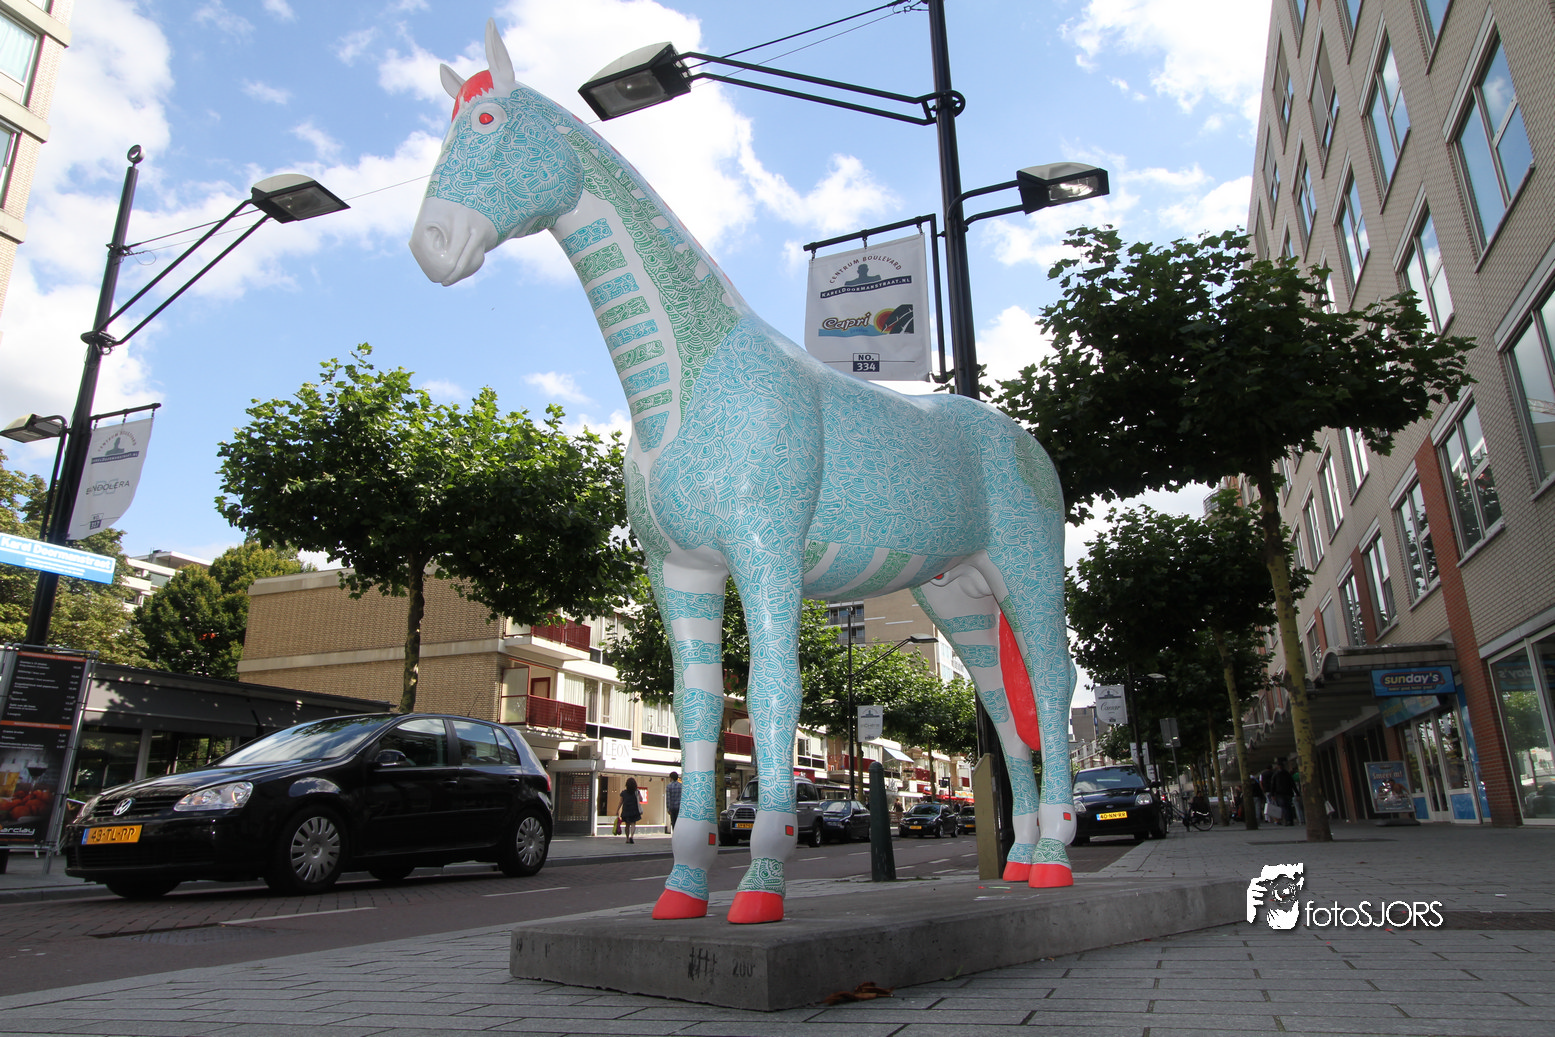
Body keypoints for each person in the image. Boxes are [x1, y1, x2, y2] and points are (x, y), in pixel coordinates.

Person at [1271, 759, 1296, 827]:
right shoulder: (1287, 774)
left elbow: (1273, 785)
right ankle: (1290, 820)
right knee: (1289, 806)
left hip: (1280, 793)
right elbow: (1292, 783)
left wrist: (1272, 794)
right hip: (1288, 792)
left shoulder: (1275, 774)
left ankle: (1287, 820)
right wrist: (1296, 792)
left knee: (1284, 807)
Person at [618, 776, 642, 843]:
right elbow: (641, 799)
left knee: (627, 825)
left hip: (626, 810)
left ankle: (627, 838)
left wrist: (617, 810)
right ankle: (632, 836)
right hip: (634, 810)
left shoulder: (624, 793)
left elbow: (620, 802)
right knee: (633, 823)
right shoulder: (636, 792)